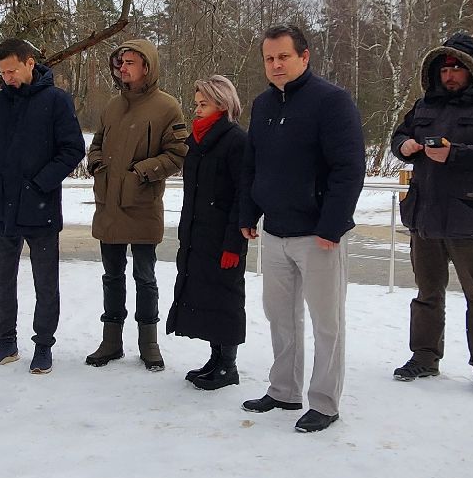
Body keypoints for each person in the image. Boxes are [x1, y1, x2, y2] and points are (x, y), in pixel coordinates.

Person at [238, 24, 365, 433]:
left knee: (327, 322)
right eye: (269, 58)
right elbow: (254, 165)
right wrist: (248, 212)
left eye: (283, 57)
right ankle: (283, 390)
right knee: (279, 316)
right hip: (275, 231)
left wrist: (332, 224)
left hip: (319, 235)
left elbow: (349, 168)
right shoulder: (261, 105)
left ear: (304, 57)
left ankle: (325, 402)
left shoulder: (331, 101)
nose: (275, 65)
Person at [389, 32, 473, 399]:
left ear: (472, 69)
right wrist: (405, 145)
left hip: (472, 215)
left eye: (457, 68)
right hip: (426, 214)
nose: (449, 74)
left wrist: (457, 154)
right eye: (445, 68)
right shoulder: (425, 104)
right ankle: (424, 356)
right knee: (426, 293)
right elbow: (399, 136)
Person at [0, 37, 85, 373]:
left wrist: (39, 184)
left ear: (29, 63)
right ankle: (5, 343)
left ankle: (44, 346)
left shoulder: (57, 101)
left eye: (12, 70)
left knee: (45, 283)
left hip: (41, 208)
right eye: (2, 72)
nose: (7, 77)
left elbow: (72, 149)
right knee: (3, 280)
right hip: (2, 207)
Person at [84, 38, 188, 371]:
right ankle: (111, 341)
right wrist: (97, 163)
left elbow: (178, 153)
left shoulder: (167, 107)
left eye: (130, 62)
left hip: (142, 206)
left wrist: (142, 172)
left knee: (145, 278)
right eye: (120, 63)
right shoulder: (112, 107)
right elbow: (96, 144)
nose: (123, 68)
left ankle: (149, 343)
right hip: (108, 206)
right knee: (112, 276)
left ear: (148, 66)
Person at [168, 75, 250, 391]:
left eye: (204, 104)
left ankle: (228, 365)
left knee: (226, 298)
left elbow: (242, 196)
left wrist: (234, 243)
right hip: (197, 236)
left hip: (224, 239)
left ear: (222, 104)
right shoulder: (196, 142)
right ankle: (216, 359)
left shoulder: (236, 141)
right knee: (205, 295)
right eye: (197, 103)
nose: (197, 109)